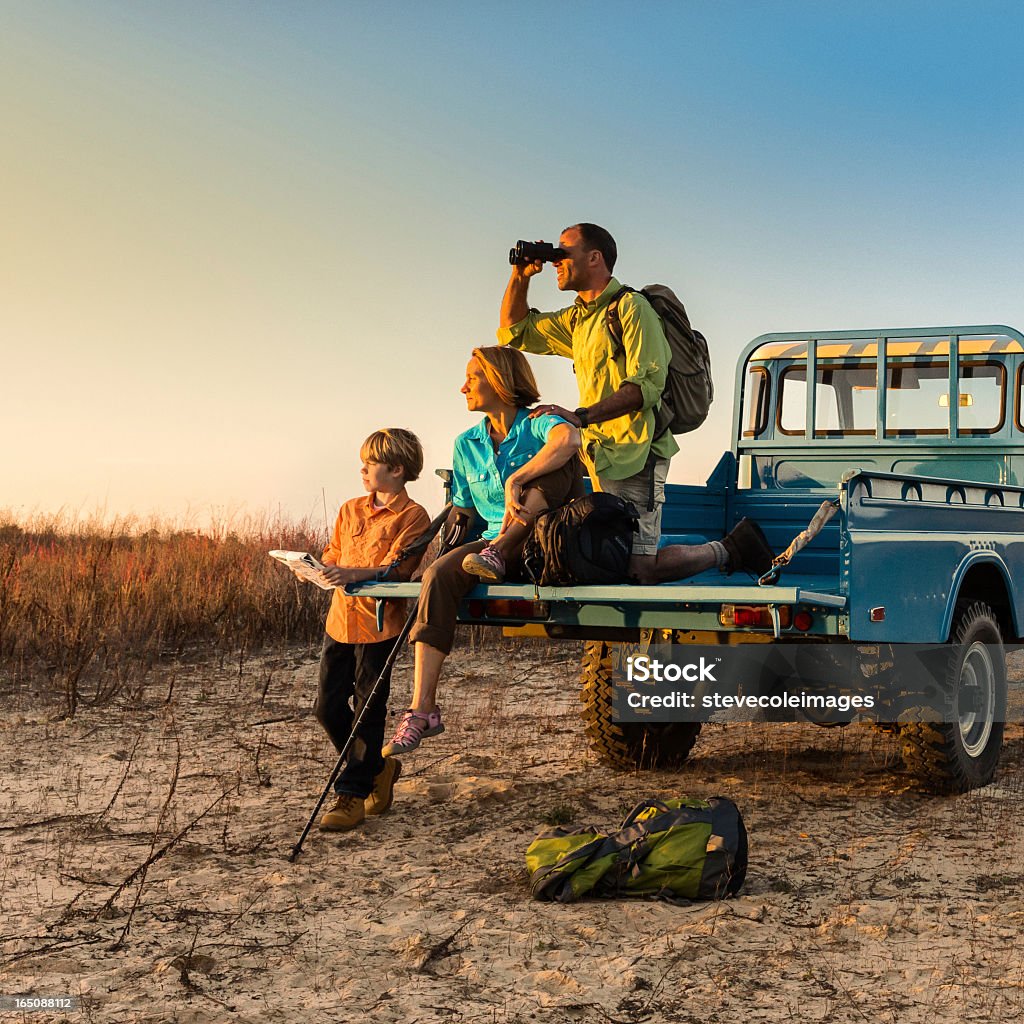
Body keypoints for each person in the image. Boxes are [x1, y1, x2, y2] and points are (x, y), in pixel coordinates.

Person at [498, 221, 773, 584]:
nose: (556, 263)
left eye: (563, 253)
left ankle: (731, 549)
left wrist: (580, 417)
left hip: (637, 454)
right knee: (605, 555)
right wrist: (521, 274)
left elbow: (646, 387)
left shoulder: (631, 308)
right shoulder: (579, 319)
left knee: (637, 569)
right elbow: (514, 331)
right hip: (599, 455)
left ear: (595, 258)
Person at [382, 346, 582, 756]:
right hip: (488, 544)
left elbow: (570, 439)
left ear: (500, 380)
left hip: (548, 543)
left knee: (554, 467)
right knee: (439, 575)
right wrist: (428, 557)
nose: (463, 387)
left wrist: (518, 479)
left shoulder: (540, 422)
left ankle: (501, 550)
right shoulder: (466, 443)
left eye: (472, 378)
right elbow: (465, 512)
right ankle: (422, 711)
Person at [304, 428, 431, 832]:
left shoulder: (413, 517)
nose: (362, 469)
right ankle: (379, 767)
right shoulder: (349, 509)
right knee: (326, 707)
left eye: (371, 463)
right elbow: (333, 554)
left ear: (396, 469)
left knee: (368, 708)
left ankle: (352, 795)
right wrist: (319, 568)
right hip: (340, 620)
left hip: (380, 624)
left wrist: (353, 573)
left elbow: (400, 569)